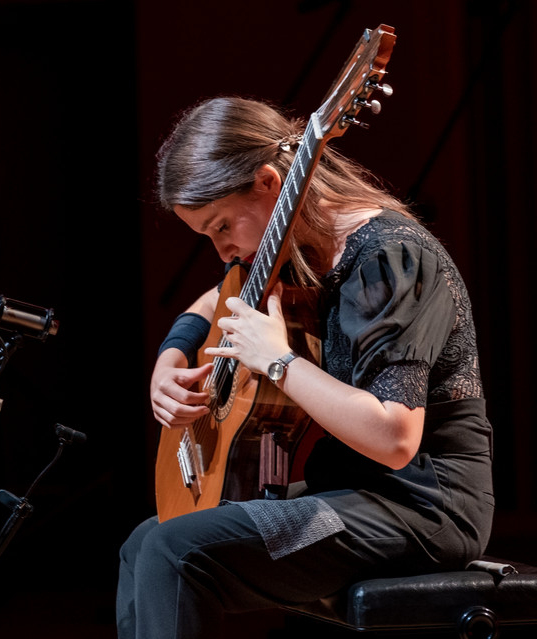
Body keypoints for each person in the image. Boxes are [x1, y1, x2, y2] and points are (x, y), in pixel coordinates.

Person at [116, 96, 494, 639]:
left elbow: (394, 438)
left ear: (270, 183)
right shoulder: (302, 249)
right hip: (346, 497)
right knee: (143, 543)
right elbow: (216, 299)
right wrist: (171, 355)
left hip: (422, 509)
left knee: (175, 552)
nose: (223, 250)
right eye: (207, 236)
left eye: (221, 225)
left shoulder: (388, 256)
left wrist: (277, 360)